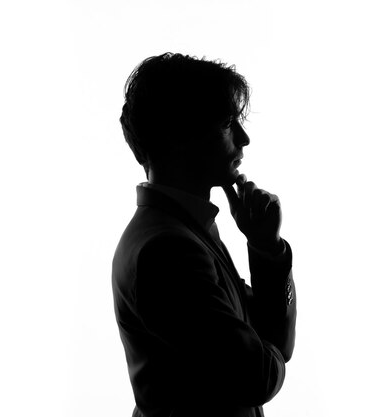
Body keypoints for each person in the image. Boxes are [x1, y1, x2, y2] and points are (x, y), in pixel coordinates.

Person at [112, 53, 296, 417]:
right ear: (179, 134)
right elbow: (255, 376)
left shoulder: (186, 231)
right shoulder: (167, 250)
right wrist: (264, 348)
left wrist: (266, 247)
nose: (244, 138)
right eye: (228, 123)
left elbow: (272, 343)